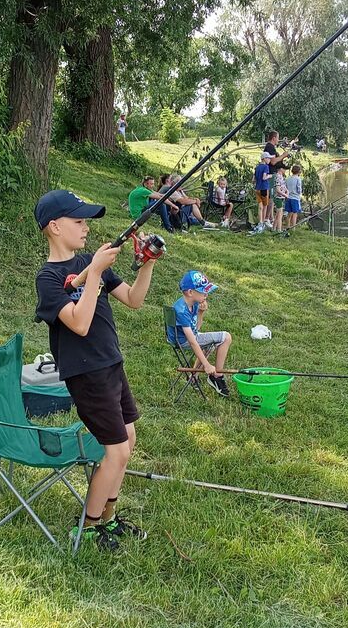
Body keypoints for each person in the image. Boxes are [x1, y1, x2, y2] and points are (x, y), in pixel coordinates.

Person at [35, 189, 157, 550]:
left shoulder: (90, 261)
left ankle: (109, 518)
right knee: (116, 451)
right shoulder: (48, 279)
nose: (86, 227)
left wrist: (147, 261)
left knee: (129, 441)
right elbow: (79, 324)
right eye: (79, 221)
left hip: (111, 364)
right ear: (55, 227)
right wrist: (93, 276)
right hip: (86, 375)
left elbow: (134, 300)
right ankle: (86, 528)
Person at [168, 270, 231, 397]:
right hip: (183, 341)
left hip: (184, 338)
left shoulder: (193, 304)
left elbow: (195, 329)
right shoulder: (181, 310)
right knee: (226, 337)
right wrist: (207, 365)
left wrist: (201, 313)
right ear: (190, 292)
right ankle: (217, 377)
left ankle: (193, 377)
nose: (206, 294)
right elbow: (192, 341)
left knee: (210, 344)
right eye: (203, 291)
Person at [252, 151, 272, 232]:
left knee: (260, 207)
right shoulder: (266, 167)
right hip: (264, 188)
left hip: (257, 188)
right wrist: (270, 176)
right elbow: (264, 177)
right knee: (265, 206)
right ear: (264, 159)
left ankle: (260, 222)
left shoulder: (257, 167)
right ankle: (263, 222)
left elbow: (253, 179)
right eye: (268, 158)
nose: (269, 160)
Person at [272, 164, 289, 233]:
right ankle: (279, 230)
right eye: (284, 169)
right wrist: (285, 195)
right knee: (280, 214)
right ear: (280, 169)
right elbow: (278, 190)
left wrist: (287, 191)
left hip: (281, 197)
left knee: (278, 213)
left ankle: (273, 228)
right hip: (278, 197)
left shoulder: (281, 177)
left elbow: (283, 187)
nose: (285, 170)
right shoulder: (277, 177)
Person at [285, 163, 303, 228]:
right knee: (295, 213)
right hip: (295, 198)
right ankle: (293, 228)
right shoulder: (298, 179)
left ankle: (287, 227)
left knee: (289, 213)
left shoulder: (288, 178)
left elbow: (285, 187)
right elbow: (299, 189)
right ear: (299, 171)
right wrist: (300, 194)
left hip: (288, 197)